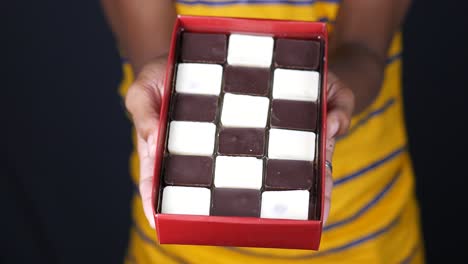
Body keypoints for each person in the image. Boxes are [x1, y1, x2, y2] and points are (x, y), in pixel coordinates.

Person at [100, 0, 424, 263]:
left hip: (364, 237)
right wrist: (164, 86)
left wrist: (323, 93)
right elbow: (159, 57)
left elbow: (365, 46)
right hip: (181, 249)